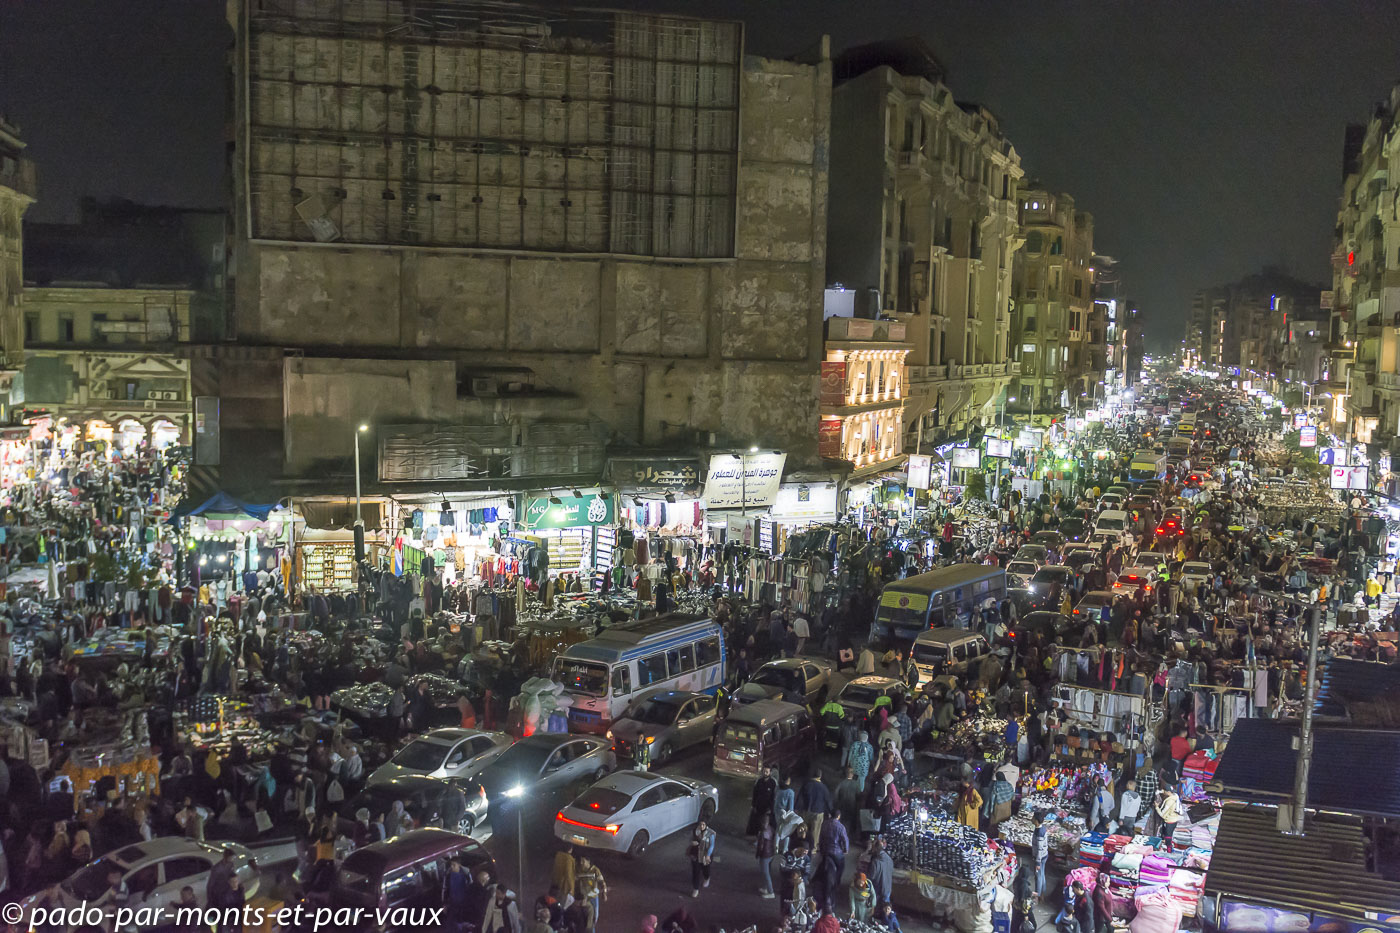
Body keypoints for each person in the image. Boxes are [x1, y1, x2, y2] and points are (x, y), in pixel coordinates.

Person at [687, 818, 715, 898]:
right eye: (700, 824)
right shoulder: (694, 831)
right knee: (695, 871)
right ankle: (695, 889)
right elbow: (690, 840)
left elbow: (712, 845)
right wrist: (692, 843)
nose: (701, 826)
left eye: (703, 825)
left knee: (706, 869)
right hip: (695, 854)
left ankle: (707, 877)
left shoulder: (710, 833)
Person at [747, 766, 778, 835]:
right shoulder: (759, 781)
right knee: (756, 822)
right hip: (758, 806)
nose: (765, 773)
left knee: (764, 824)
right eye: (764, 771)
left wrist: (771, 808)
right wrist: (753, 805)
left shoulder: (773, 783)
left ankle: (762, 837)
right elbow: (755, 794)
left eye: (767, 772)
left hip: (767, 807)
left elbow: (773, 796)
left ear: (770, 773)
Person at [867, 836, 894, 911]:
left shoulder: (875, 861)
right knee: (886, 910)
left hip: (877, 889)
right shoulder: (889, 859)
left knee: (872, 908)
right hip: (887, 888)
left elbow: (871, 876)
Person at [756, 812, 777, 898]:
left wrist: (758, 853)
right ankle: (765, 888)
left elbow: (760, 845)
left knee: (765, 873)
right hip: (770, 853)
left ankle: (771, 892)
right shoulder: (771, 829)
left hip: (765, 854)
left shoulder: (763, 832)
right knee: (766, 872)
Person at [1032, 812, 1050, 898]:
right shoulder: (1041, 828)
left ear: (1036, 820)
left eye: (1033, 817)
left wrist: (1037, 862)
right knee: (1042, 874)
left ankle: (1037, 895)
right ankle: (1043, 891)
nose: (1031, 819)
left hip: (1040, 857)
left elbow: (1039, 849)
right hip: (1044, 855)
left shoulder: (1039, 833)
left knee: (1038, 876)